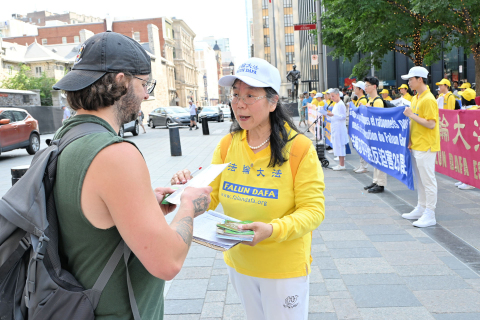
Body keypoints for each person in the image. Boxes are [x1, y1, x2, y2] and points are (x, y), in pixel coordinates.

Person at [51, 31, 212, 319]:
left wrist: (145, 205)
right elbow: (168, 262)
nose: (147, 95)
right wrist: (189, 205)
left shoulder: (65, 138)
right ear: (121, 81)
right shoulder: (114, 154)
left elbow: (86, 219)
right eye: (144, 84)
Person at [172, 57, 325, 320]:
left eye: (250, 95)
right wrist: (186, 193)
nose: (239, 103)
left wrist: (272, 230)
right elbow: (212, 197)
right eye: (235, 95)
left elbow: (313, 211)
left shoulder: (299, 148)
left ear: (273, 102)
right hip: (240, 262)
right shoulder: (227, 145)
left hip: (283, 268)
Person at [401, 66, 439, 228]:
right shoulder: (416, 98)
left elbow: (431, 124)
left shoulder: (428, 99)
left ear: (420, 79)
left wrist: (411, 115)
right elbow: (414, 122)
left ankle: (430, 213)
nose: (408, 82)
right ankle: (422, 207)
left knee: (428, 180)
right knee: (421, 180)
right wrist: (409, 140)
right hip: (416, 144)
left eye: (410, 79)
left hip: (426, 145)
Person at [363, 76, 387, 193]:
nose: (365, 88)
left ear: (374, 87)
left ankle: (381, 183)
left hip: (378, 135)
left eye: (367, 86)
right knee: (375, 158)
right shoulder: (370, 101)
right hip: (372, 134)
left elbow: (379, 119)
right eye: (365, 85)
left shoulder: (377, 101)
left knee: (379, 159)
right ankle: (376, 180)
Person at [327, 88, 349, 171]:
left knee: (340, 145)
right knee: (337, 145)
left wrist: (332, 115)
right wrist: (328, 115)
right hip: (336, 127)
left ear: (337, 95)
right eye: (331, 96)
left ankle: (342, 164)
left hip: (340, 128)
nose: (331, 98)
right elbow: (335, 116)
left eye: (333, 96)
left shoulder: (340, 104)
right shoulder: (336, 104)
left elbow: (343, 117)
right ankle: (340, 164)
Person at [352, 81, 369, 173]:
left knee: (362, 146)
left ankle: (364, 166)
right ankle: (361, 165)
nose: (354, 89)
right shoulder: (359, 99)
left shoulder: (363, 100)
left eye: (356, 88)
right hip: (358, 127)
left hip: (362, 128)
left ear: (360, 89)